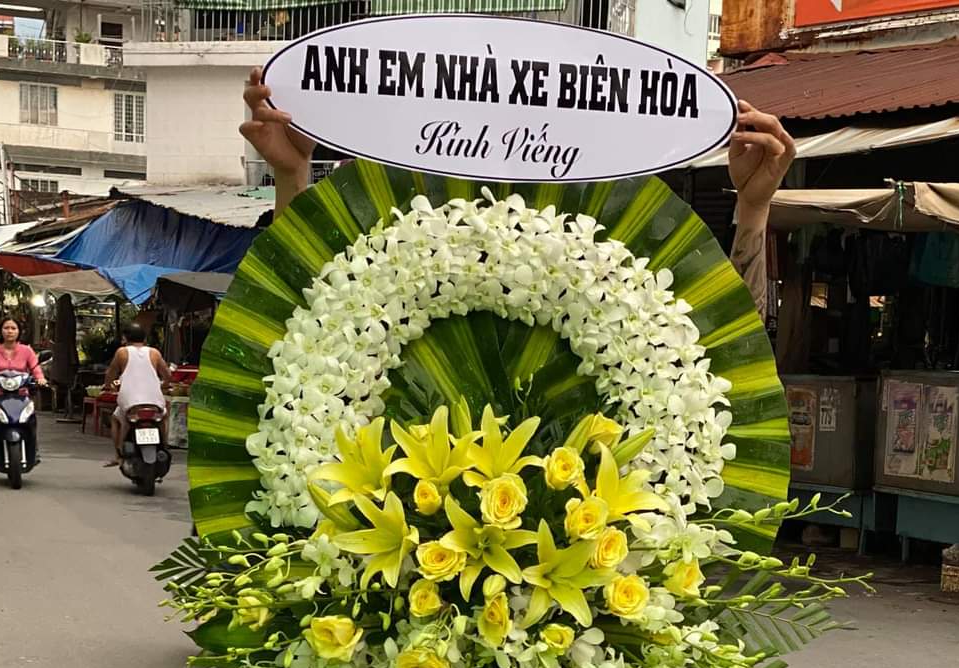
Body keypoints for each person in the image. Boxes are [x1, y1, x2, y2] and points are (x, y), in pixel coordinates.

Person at [240, 70, 796, 320]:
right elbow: (293, 322)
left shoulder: (611, 261)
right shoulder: (398, 243)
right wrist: (292, 178)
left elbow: (726, 348)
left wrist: (753, 208)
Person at [103, 323, 172, 467]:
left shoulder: (122, 352)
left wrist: (108, 386)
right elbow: (167, 374)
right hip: (154, 400)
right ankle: (164, 447)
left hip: (130, 401)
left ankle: (118, 455)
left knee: (116, 419)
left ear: (125, 338)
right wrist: (164, 385)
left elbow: (111, 373)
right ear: (145, 338)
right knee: (164, 417)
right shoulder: (154, 352)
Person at [0, 316, 46, 390]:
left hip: (22, 391)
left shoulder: (27, 350)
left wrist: (40, 378)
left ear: (19, 331)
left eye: (13, 328)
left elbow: (35, 367)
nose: (10, 331)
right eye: (6, 328)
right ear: (1, 331)